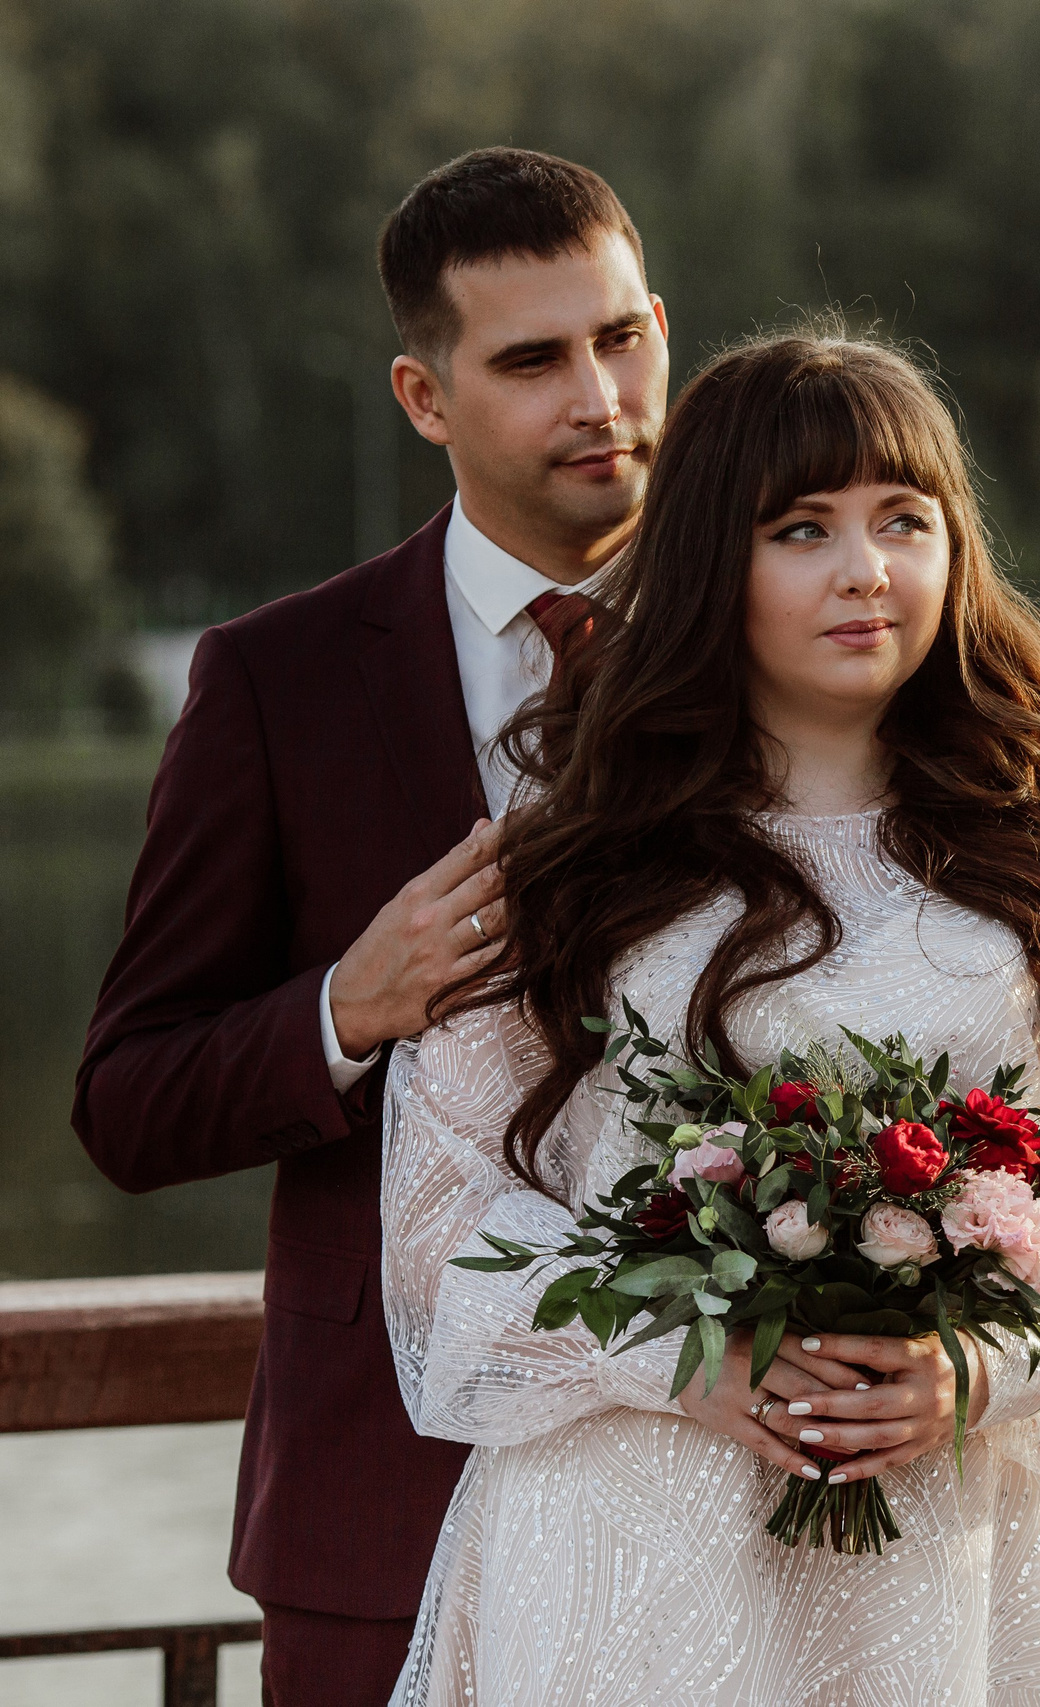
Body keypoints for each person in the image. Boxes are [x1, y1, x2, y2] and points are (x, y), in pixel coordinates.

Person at [378, 330, 1040, 1705]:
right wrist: (681, 1357)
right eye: (802, 529)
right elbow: (438, 1225)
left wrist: (987, 1365)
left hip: (969, 1556)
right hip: (647, 1543)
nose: (866, 571)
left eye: (904, 520)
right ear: (718, 559)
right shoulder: (567, 860)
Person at [74, 147, 672, 1704]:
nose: (600, 395)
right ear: (425, 397)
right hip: (382, 1496)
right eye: (535, 360)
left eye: (622, 338)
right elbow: (128, 1100)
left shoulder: (779, 639)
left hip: (720, 1482)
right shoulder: (276, 683)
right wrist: (347, 1003)